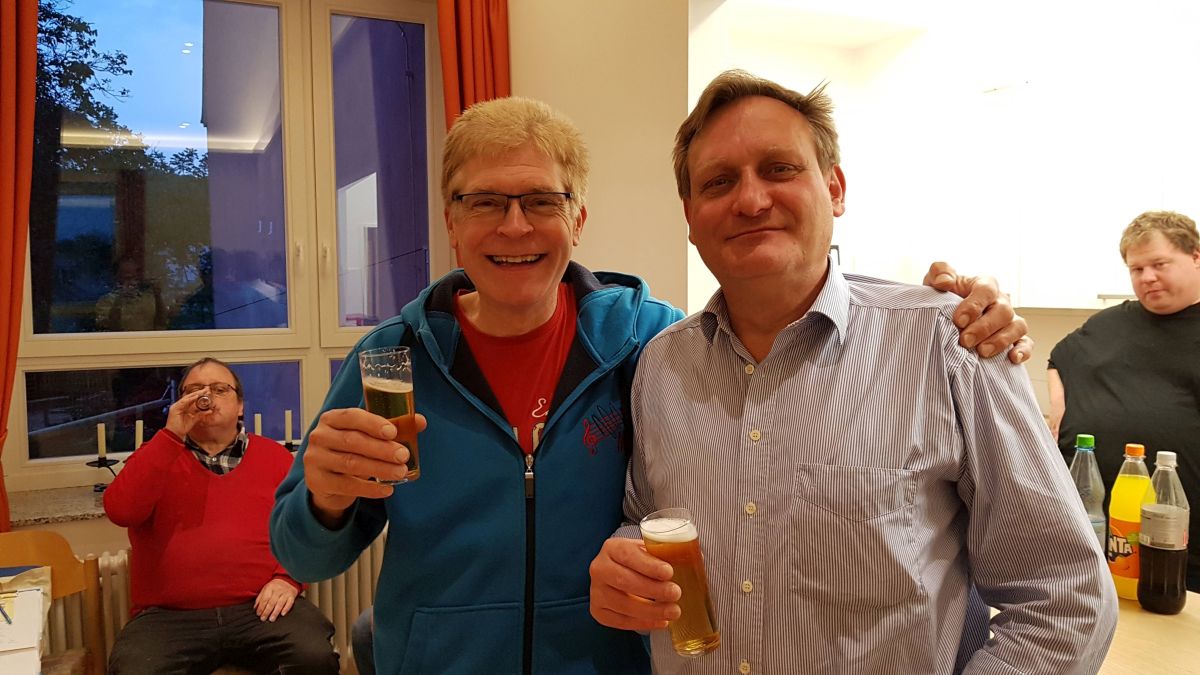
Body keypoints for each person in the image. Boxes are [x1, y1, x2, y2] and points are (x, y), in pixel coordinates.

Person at [270, 96, 1030, 675]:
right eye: (486, 202)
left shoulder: (654, 344)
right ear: (451, 221)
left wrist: (967, 316)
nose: (515, 226)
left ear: (578, 218)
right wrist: (326, 500)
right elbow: (301, 558)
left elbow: (770, 346)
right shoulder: (391, 360)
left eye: (541, 201)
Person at [588, 70, 1117, 674]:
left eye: (779, 169)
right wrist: (626, 563)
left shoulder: (952, 343)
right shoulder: (661, 363)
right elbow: (648, 517)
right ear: (690, 215)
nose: (751, 200)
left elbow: (1066, 599)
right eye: (719, 181)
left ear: (835, 188)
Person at [104, 357, 338, 674]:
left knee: (314, 657)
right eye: (195, 390)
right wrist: (171, 435)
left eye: (219, 389)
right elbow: (121, 511)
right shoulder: (157, 454)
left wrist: (288, 579)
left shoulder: (276, 457)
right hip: (169, 618)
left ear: (240, 406)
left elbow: (303, 528)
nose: (206, 397)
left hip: (259, 609)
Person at [1048, 210, 1200, 592]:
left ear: (1195, 256)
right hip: (1090, 534)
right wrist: (1058, 408)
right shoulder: (1108, 323)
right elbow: (1057, 359)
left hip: (1178, 545)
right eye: (1137, 269)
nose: (1147, 277)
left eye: (1159, 264)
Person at [94, 257, 167, 331]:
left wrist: (157, 296)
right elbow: (112, 328)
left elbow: (161, 324)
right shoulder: (106, 302)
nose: (133, 282)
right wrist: (120, 298)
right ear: (117, 277)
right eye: (128, 277)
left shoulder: (149, 299)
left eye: (136, 277)